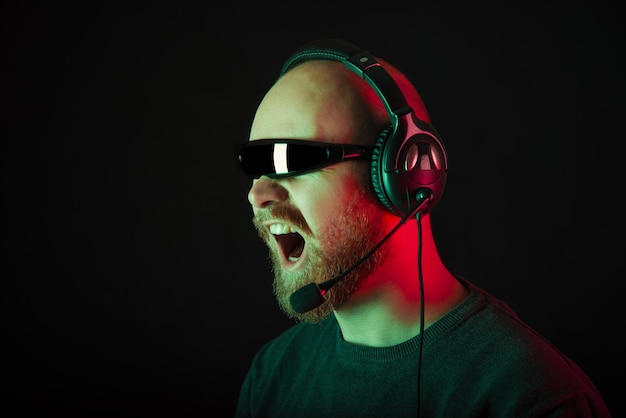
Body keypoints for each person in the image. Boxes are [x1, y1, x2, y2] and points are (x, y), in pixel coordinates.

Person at [234, 38, 611, 417]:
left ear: (407, 173)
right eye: (255, 164)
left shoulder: (534, 399)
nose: (258, 194)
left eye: (291, 159)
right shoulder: (274, 373)